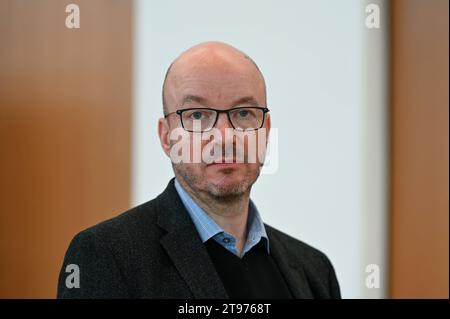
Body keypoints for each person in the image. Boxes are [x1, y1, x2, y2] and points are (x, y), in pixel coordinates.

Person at [57, 41, 341, 299]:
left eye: (243, 113)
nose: (224, 137)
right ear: (166, 137)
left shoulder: (314, 271)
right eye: (197, 116)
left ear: (265, 132)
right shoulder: (106, 255)